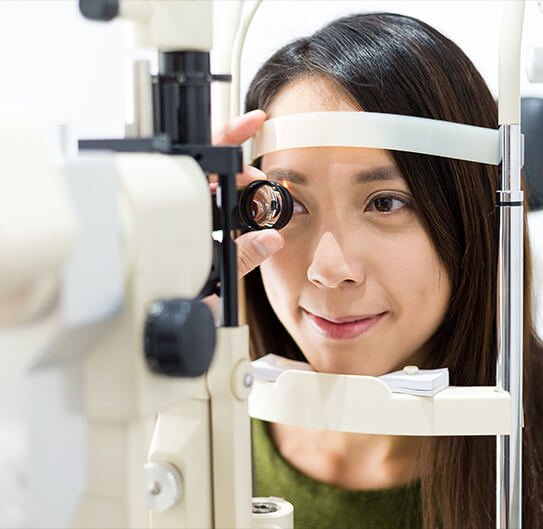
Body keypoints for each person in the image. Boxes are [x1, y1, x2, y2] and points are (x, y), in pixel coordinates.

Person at [212, 12, 543, 529]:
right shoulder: (196, 426)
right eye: (286, 204)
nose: (330, 270)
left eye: (385, 202)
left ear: (475, 216)